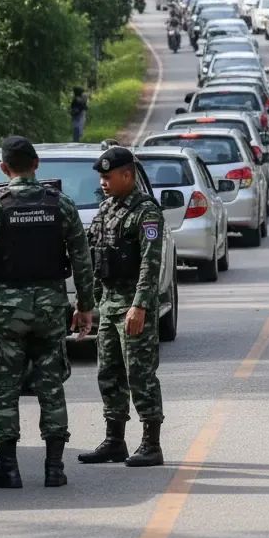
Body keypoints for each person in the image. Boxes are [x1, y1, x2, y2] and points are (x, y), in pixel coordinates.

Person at [0, 136, 94, 489]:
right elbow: (81, 260)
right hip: (50, 309)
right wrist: (85, 306)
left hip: (8, 312)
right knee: (51, 385)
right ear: (37, 164)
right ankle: (54, 469)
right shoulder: (62, 205)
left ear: (4, 167)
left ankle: (8, 469)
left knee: (5, 385)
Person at [79, 145, 166, 467]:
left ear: (127, 175)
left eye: (108, 176)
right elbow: (94, 261)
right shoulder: (105, 210)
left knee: (140, 375)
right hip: (108, 305)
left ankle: (150, 444)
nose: (103, 182)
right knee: (109, 373)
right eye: (101, 178)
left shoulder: (146, 212)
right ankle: (114, 440)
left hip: (133, 307)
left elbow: (149, 262)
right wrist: (87, 305)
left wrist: (140, 306)